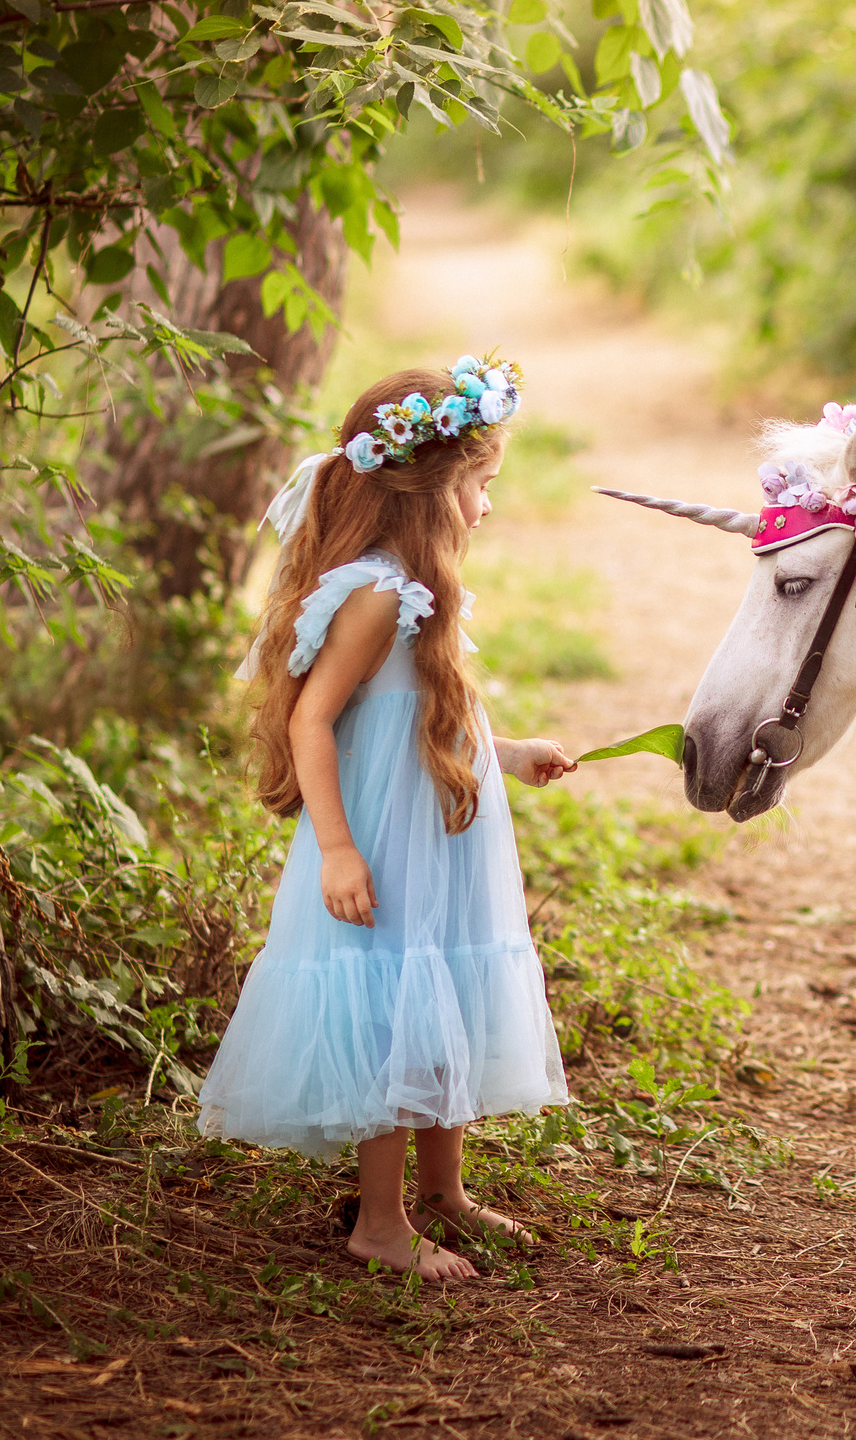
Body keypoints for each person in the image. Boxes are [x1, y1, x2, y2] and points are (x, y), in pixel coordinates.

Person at [197, 356, 575, 1280]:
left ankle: (446, 1193)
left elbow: (417, 715)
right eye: (481, 485)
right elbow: (312, 720)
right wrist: (337, 849)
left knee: (442, 990)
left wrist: (506, 753)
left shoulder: (420, 586)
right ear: (431, 490)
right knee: (394, 1004)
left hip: (439, 830)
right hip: (382, 836)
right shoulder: (377, 594)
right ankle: (379, 1222)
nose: (488, 505)